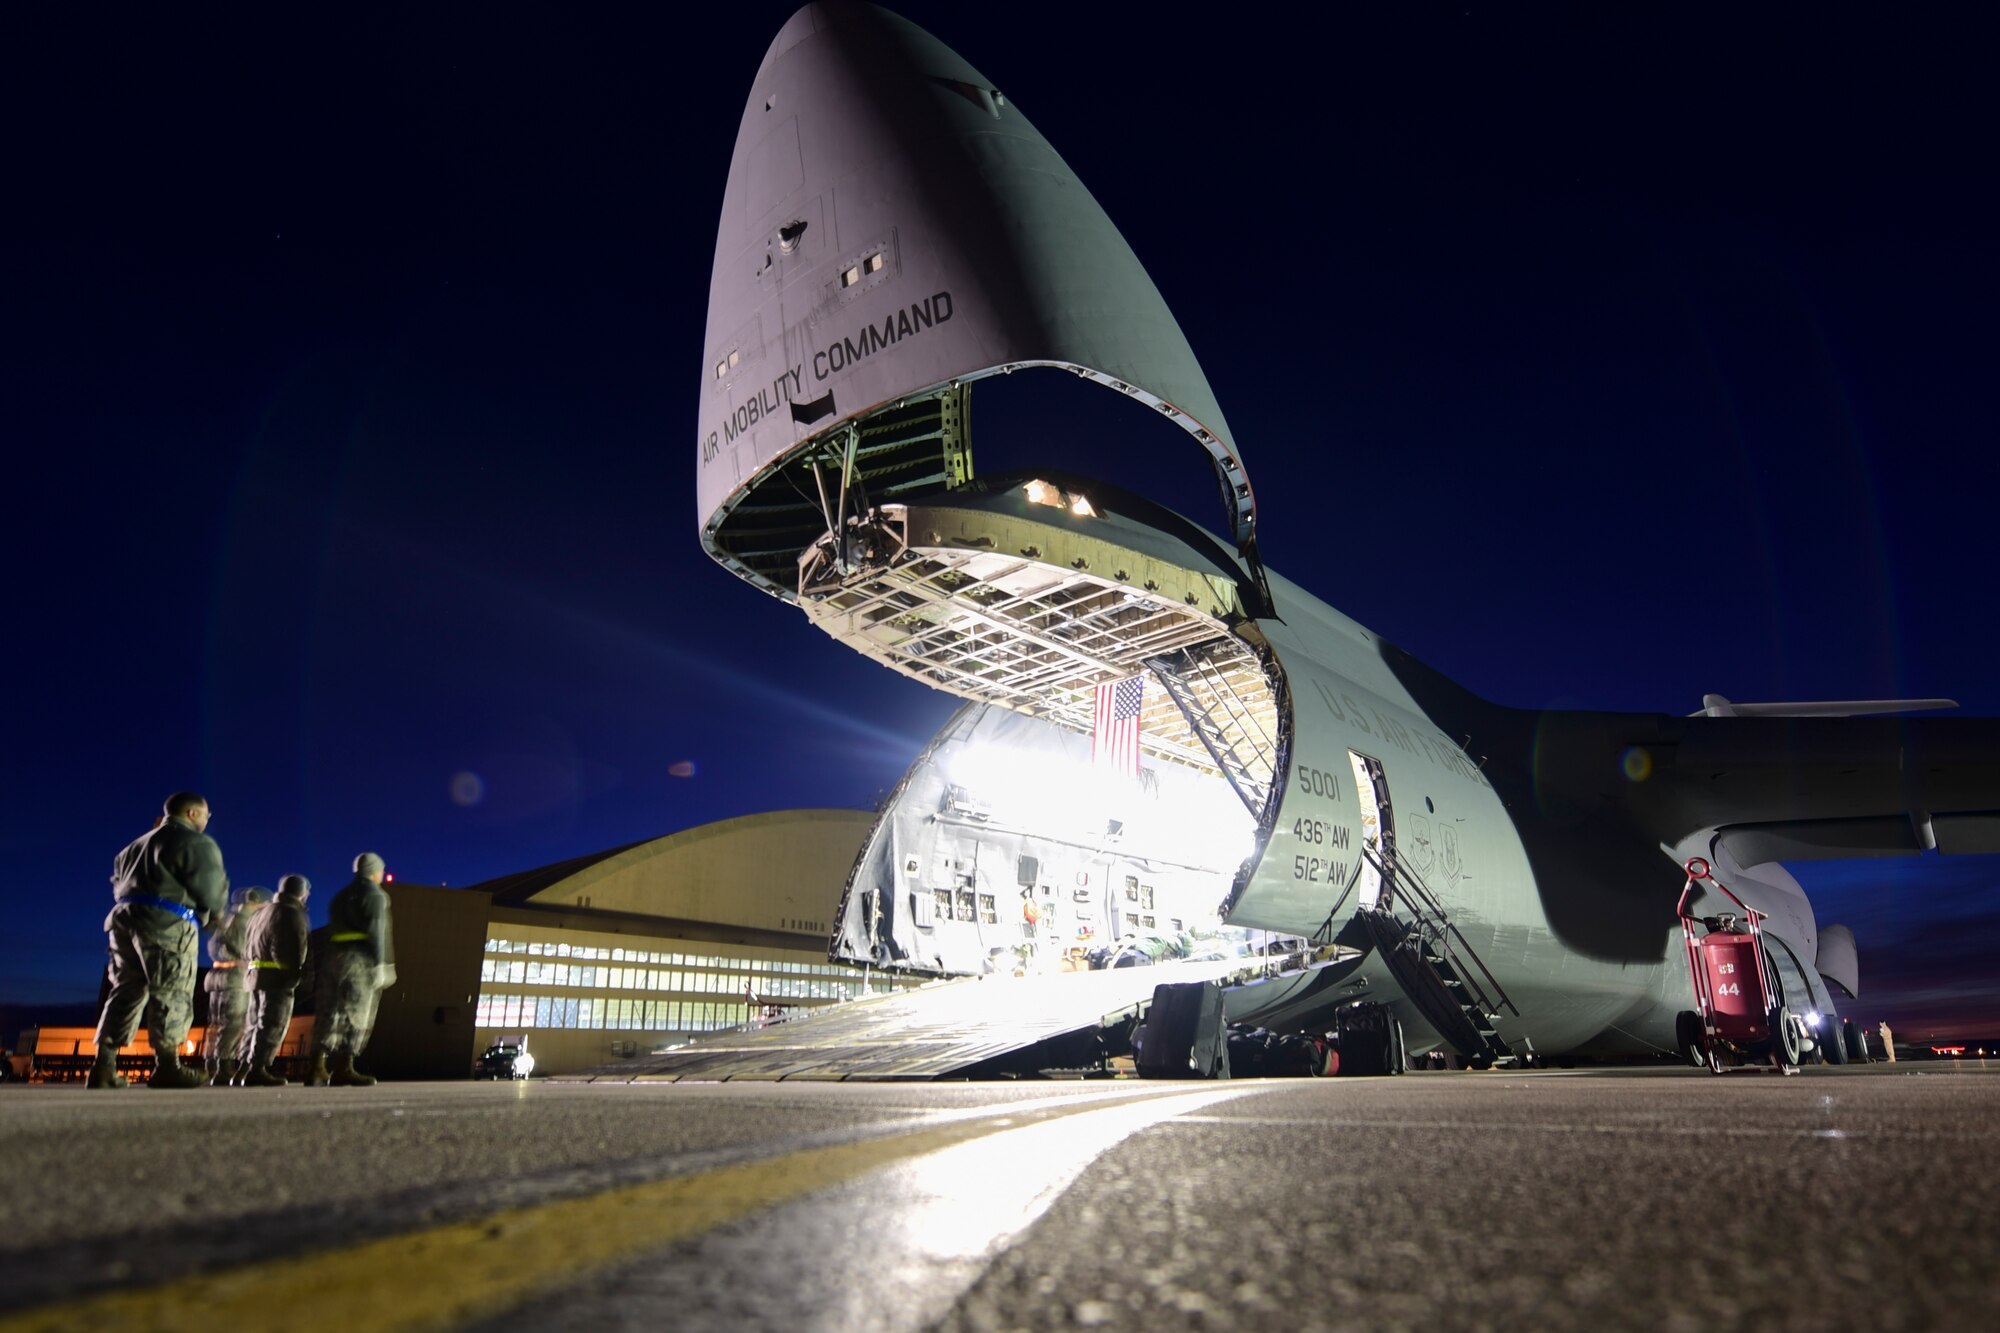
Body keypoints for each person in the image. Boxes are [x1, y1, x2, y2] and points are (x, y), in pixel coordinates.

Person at [90, 792, 230, 1089]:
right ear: (192, 814)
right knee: (171, 989)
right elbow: (212, 891)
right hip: (167, 921)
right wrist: (216, 916)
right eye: (206, 815)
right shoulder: (195, 842)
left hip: (123, 919)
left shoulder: (131, 848)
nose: (207, 821)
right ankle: (167, 1065)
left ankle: (103, 1065)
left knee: (126, 989)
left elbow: (117, 884)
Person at [314, 852, 395, 1086]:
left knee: (329, 1011)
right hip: (360, 958)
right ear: (374, 870)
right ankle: (344, 1066)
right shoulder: (376, 895)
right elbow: (378, 930)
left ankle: (316, 1066)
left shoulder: (340, 896)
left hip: (333, 957)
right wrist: (382, 963)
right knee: (357, 1011)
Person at [236, 875, 311, 1086]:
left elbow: (246, 947)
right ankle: (258, 1068)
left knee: (252, 1024)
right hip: (277, 979)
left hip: (254, 977)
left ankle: (243, 1068)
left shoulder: (260, 913)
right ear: (301, 892)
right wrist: (294, 975)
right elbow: (288, 950)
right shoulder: (290, 914)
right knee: (271, 1024)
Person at [201, 886, 270, 1086]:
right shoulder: (248, 922)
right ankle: (225, 1067)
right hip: (237, 977)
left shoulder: (226, 919)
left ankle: (211, 1066)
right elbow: (249, 951)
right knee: (234, 1023)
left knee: (216, 1024)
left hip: (217, 976)